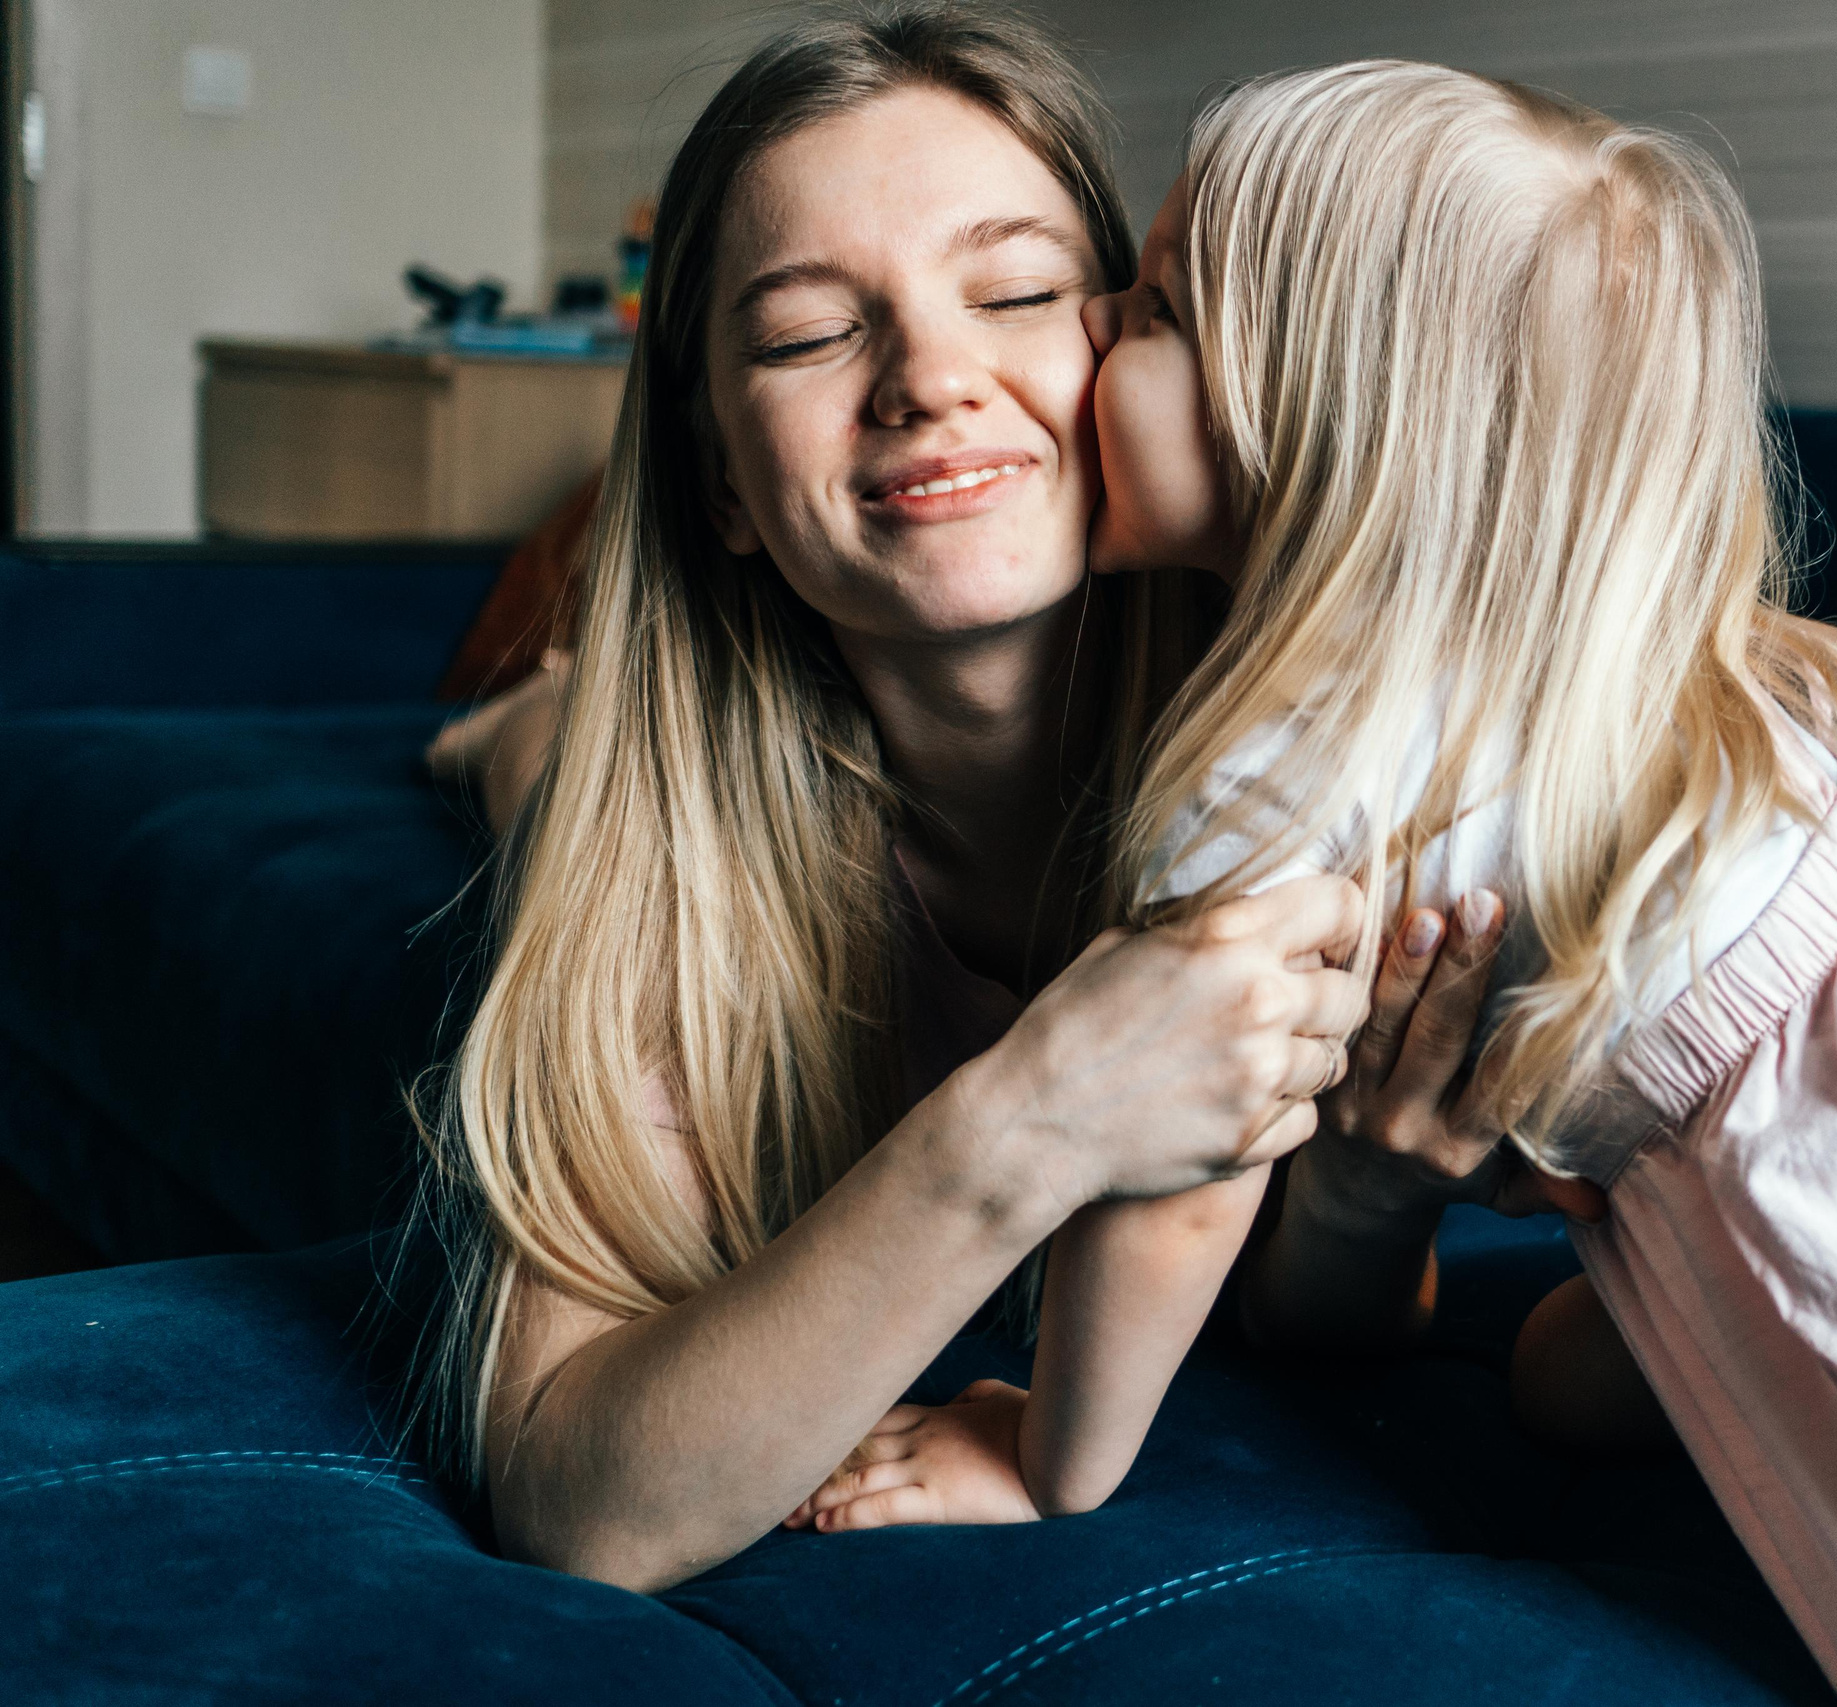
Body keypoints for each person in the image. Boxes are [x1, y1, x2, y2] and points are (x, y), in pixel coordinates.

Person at [798, 59, 1837, 1707]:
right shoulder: (1607, 643)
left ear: (1321, 409)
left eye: (1149, 311)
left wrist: (1052, 1459)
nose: (1086, 351)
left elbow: (1182, 1178)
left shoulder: (1272, 766)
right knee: (1602, 1384)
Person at [409, 10, 1528, 1597]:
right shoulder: (674, 840)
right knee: (541, 769)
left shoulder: (1345, 747)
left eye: (1014, 294)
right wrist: (1030, 1119)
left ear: (1144, 342)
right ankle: (517, 718)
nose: (931, 377)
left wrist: (1369, 1199)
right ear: (723, 479)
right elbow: (589, 1507)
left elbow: (1319, 1316)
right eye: (804, 336)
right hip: (619, 747)